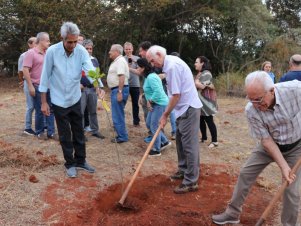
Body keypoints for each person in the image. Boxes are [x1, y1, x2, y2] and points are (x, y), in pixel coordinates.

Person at [212, 71, 301, 225]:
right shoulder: (251, 110)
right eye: (251, 99)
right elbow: (266, 140)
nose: (256, 105)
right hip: (271, 144)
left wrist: (287, 169)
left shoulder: (295, 90)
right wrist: (284, 166)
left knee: (290, 190)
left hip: (296, 146)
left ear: (272, 90)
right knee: (246, 172)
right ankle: (232, 213)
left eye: (259, 99)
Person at [39, 22, 96, 178]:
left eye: (75, 41)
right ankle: (69, 163)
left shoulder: (81, 50)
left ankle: (81, 161)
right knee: (65, 134)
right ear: (62, 38)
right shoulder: (52, 51)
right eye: (69, 42)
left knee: (78, 132)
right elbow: (45, 77)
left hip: (75, 98)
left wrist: (97, 85)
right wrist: (44, 102)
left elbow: (90, 69)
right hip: (58, 101)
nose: (72, 45)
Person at [146, 45, 202, 194]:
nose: (152, 65)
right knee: (180, 142)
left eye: (152, 61)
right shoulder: (168, 64)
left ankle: (191, 181)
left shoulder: (172, 66)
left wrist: (164, 115)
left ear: (159, 54)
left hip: (188, 107)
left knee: (189, 145)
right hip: (181, 108)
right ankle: (183, 170)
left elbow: (176, 95)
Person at [23, 32, 56, 140]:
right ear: (41, 40)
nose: (49, 43)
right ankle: (39, 132)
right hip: (36, 85)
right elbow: (25, 69)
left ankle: (51, 132)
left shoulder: (48, 53)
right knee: (40, 110)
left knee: (51, 109)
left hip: (49, 86)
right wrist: (30, 86)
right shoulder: (31, 53)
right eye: (47, 41)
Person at [136, 58, 171, 156]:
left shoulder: (151, 77)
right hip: (154, 103)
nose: (137, 68)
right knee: (149, 123)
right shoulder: (147, 76)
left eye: (138, 66)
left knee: (154, 126)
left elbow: (158, 91)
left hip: (160, 103)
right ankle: (164, 141)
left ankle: (156, 149)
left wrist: (150, 101)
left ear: (143, 68)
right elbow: (149, 91)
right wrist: (148, 100)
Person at [81, 39, 105, 139]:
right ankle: (80, 132)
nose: (89, 50)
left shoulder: (94, 60)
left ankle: (95, 130)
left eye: (90, 48)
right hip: (82, 89)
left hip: (92, 89)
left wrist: (99, 88)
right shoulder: (79, 59)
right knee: (81, 112)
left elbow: (97, 74)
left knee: (93, 111)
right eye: (87, 48)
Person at [107, 44, 130, 143]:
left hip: (119, 89)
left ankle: (122, 136)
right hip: (118, 89)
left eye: (111, 51)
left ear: (116, 51)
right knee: (119, 113)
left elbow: (121, 76)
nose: (109, 52)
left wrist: (119, 92)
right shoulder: (118, 61)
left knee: (117, 114)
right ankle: (122, 134)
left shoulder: (120, 61)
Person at [194, 56, 218, 148]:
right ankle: (204, 138)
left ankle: (215, 141)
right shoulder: (200, 73)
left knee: (209, 120)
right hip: (200, 101)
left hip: (207, 102)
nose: (195, 64)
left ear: (202, 63)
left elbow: (202, 86)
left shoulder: (206, 73)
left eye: (196, 62)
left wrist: (195, 82)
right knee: (200, 120)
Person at [18, 37, 37, 135]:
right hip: (28, 82)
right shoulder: (24, 55)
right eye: (35, 42)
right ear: (30, 44)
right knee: (30, 106)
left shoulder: (40, 54)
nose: (37, 44)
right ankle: (27, 127)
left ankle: (42, 126)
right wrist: (22, 81)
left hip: (37, 82)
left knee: (38, 105)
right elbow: (21, 71)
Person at [124, 42, 140, 127]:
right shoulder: (122, 59)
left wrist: (133, 62)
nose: (128, 51)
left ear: (132, 49)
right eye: (126, 49)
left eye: (129, 49)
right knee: (122, 103)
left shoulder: (137, 59)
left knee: (135, 104)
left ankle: (136, 122)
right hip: (125, 84)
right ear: (124, 50)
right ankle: (121, 121)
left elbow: (140, 71)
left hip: (135, 84)